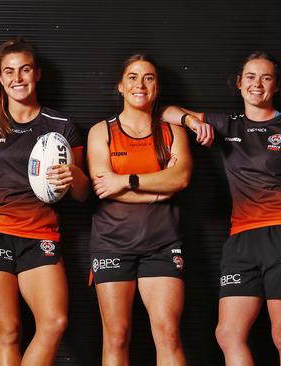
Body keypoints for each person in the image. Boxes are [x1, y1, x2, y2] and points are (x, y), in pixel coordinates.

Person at [163, 51, 281, 366]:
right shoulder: (227, 124)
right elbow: (164, 111)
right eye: (250, 76)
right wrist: (193, 122)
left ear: (276, 86)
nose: (257, 84)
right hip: (241, 240)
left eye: (266, 77)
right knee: (228, 334)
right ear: (238, 83)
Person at [0, 39, 90, 366]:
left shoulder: (60, 127)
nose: (18, 78)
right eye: (9, 71)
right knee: (8, 332)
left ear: (37, 74)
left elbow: (83, 193)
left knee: (54, 322)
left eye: (25, 69)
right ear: (1, 79)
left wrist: (73, 173)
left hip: (40, 234)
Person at [87, 54, 192, 366]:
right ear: (121, 85)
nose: (140, 84)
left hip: (162, 243)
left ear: (156, 87)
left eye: (148, 78)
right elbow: (103, 188)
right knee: (116, 336)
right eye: (132, 77)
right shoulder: (101, 131)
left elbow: (182, 178)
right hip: (112, 243)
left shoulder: (173, 132)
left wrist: (127, 181)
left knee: (168, 333)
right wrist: (161, 190)